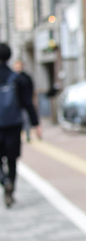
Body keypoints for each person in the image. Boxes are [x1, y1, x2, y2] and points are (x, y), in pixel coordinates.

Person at [0, 45, 41, 208]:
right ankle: (11, 188)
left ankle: (5, 181)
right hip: (14, 124)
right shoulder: (17, 78)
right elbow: (27, 103)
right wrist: (35, 123)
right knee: (12, 159)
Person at [12, 60, 34, 142]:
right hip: (15, 104)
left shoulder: (25, 77)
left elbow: (31, 89)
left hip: (23, 104)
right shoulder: (12, 77)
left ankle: (27, 135)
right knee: (19, 121)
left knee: (26, 120)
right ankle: (20, 136)